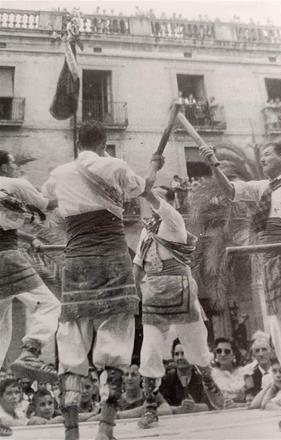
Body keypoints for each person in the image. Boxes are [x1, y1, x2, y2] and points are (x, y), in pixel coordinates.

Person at [42, 120, 164, 440]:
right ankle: (105, 430)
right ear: (104, 142)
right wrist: (154, 165)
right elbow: (145, 187)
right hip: (112, 257)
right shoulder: (116, 165)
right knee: (115, 342)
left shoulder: (59, 174)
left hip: (77, 259)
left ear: (77, 143)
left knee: (71, 342)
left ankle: (71, 433)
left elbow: (46, 207)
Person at [198, 142, 281, 429]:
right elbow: (231, 191)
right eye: (262, 155)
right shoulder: (262, 187)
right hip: (271, 262)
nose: (263, 159)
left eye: (268, 154)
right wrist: (213, 165)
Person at [133, 185, 224, 430]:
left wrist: (146, 187)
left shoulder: (173, 220)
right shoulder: (145, 231)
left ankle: (207, 378)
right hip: (153, 292)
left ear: (169, 201)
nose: (153, 200)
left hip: (180, 288)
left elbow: (152, 198)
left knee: (195, 345)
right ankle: (150, 406)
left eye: (160, 196)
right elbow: (138, 265)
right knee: (150, 349)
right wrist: (134, 294)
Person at [0, 150, 61, 384]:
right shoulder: (14, 183)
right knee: (50, 305)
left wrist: (27, 239)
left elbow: (5, 224)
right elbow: (47, 205)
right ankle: (30, 352)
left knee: (2, 329)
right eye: (13, 163)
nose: (17, 167)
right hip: (7, 257)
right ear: (4, 168)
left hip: (5, 250)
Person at [160, 340, 209, 414]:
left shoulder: (201, 379)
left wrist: (195, 407)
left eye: (184, 353)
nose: (180, 357)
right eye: (176, 354)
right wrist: (179, 409)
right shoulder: (165, 380)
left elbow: (209, 405)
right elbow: (161, 406)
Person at [211, 338, 251, 408]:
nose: (222, 354)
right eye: (219, 351)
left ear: (234, 354)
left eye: (227, 351)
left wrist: (237, 404)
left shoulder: (244, 371)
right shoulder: (212, 374)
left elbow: (251, 395)